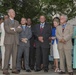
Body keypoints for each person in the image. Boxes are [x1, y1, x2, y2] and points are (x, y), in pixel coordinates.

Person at [3, 9, 22, 74]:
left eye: (14, 12)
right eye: (12, 12)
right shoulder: (6, 21)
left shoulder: (17, 21)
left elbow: (20, 29)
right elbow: (7, 30)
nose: (14, 13)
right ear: (9, 14)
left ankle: (14, 69)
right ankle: (5, 70)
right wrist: (16, 29)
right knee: (7, 56)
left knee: (15, 56)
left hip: (15, 41)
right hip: (8, 41)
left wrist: (13, 29)